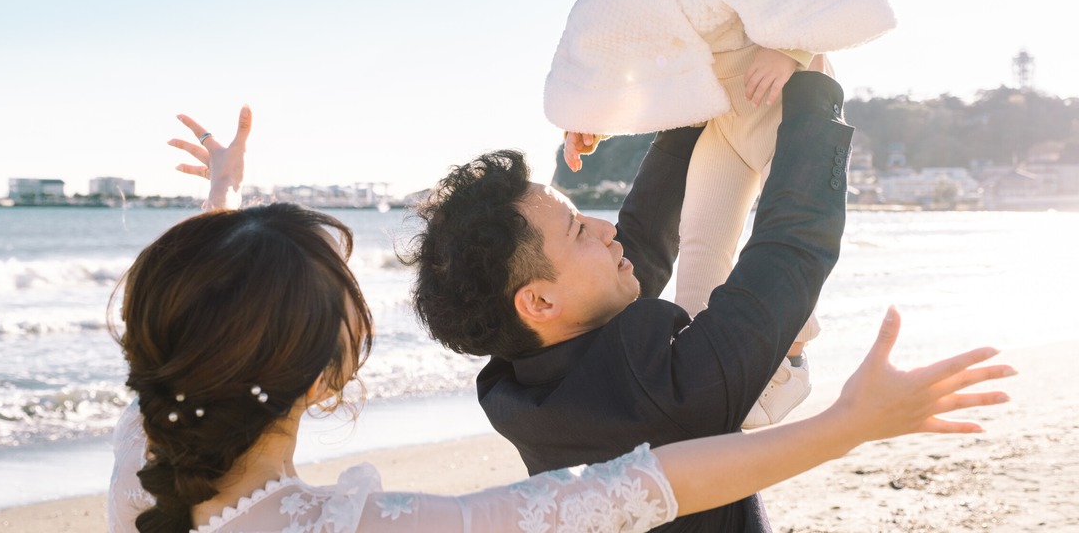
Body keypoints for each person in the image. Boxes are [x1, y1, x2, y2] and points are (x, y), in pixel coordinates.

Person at [106, 106, 1015, 533]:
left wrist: (223, 206)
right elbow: (645, 484)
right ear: (324, 377)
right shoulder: (355, 529)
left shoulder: (145, 480)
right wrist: (848, 427)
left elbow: (193, 328)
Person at [543, 0, 898, 426]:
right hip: (721, 124)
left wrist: (786, 47)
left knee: (785, 229)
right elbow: (615, 37)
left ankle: (788, 355)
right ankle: (725, 379)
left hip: (782, 104)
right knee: (702, 241)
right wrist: (591, 108)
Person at [413, 70, 882, 531]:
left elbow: (640, 243)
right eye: (579, 231)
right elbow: (790, 251)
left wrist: (689, 110)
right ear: (536, 302)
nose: (605, 229)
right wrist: (813, 88)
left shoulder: (516, 385)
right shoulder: (665, 394)